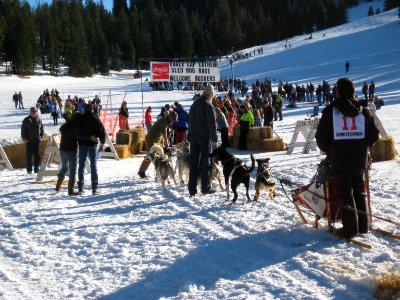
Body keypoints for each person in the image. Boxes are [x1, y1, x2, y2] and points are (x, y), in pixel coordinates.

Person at [316, 77, 379, 238]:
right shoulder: (362, 110)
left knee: (345, 192)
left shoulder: (331, 110)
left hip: (340, 158)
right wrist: (364, 147)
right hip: (359, 159)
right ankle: (363, 226)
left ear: (338, 91)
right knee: (359, 190)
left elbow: (321, 137)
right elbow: (373, 134)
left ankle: (350, 229)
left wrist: (331, 152)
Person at [187, 85, 218, 196]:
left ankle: (192, 189)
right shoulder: (208, 106)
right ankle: (205, 187)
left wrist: (189, 135)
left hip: (193, 137)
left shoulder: (194, 104)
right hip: (204, 138)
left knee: (194, 163)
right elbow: (212, 125)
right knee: (205, 163)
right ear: (211, 94)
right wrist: (215, 140)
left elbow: (189, 121)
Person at [75, 103, 106, 195]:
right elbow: (102, 131)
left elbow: (77, 134)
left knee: (81, 166)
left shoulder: (80, 119)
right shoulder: (96, 119)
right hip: (92, 145)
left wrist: (87, 138)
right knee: (93, 166)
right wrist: (102, 142)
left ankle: (81, 188)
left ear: (84, 109)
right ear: (92, 109)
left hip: (82, 144)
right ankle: (94, 188)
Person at [137, 110, 178, 178]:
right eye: (173, 119)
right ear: (170, 116)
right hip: (151, 139)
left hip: (156, 139)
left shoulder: (167, 121)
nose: (173, 121)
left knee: (160, 156)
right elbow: (163, 132)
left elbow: (163, 133)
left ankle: (162, 171)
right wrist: (166, 141)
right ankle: (141, 171)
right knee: (151, 155)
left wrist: (163, 141)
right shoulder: (163, 121)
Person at [55, 114, 80, 195]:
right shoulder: (76, 127)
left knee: (64, 167)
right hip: (71, 150)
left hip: (63, 150)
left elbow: (60, 129)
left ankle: (58, 186)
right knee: (73, 170)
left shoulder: (64, 126)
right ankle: (71, 190)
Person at [21, 107, 44, 174]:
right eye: (33, 111)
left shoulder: (39, 119)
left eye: (35, 111)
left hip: (37, 140)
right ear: (30, 112)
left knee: (37, 155)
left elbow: (42, 129)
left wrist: (41, 136)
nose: (34, 113)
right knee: (29, 155)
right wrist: (24, 138)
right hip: (29, 141)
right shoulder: (26, 120)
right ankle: (29, 169)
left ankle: (36, 169)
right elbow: (23, 130)